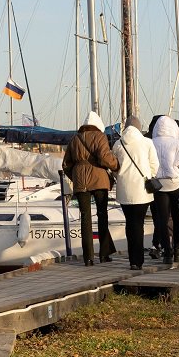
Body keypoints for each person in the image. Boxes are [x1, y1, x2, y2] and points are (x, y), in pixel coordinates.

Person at [62, 110, 119, 266]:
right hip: (99, 179)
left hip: (81, 182)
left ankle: (88, 257)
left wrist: (76, 176)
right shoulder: (100, 136)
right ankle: (104, 254)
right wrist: (116, 165)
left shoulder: (74, 139)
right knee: (102, 215)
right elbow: (104, 157)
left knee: (85, 218)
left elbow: (66, 164)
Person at [112, 116, 159, 270]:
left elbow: (114, 167)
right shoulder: (147, 143)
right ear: (139, 127)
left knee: (130, 223)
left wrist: (120, 178)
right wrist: (148, 176)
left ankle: (133, 260)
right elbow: (155, 165)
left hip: (124, 189)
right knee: (139, 224)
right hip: (142, 189)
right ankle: (138, 261)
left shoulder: (118, 144)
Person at [151, 116, 179, 264]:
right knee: (177, 218)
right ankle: (177, 248)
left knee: (162, 220)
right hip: (176, 184)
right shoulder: (177, 144)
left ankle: (167, 253)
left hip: (158, 186)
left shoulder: (151, 143)